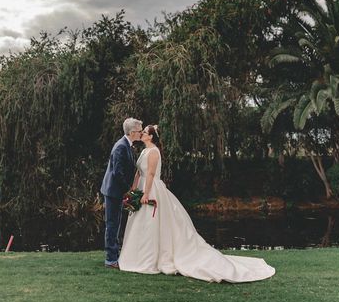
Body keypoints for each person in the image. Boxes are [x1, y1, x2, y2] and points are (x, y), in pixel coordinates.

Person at [119, 125, 275, 283]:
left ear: (151, 137)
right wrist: (133, 190)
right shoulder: (144, 151)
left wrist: (146, 193)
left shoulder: (153, 151)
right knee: (140, 223)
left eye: (144, 132)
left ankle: (151, 258)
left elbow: (151, 174)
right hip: (141, 187)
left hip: (152, 189)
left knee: (152, 222)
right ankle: (137, 256)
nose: (142, 133)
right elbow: (139, 172)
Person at [100, 117, 142, 268]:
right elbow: (117, 172)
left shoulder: (127, 145)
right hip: (113, 191)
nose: (141, 133)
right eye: (139, 131)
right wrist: (128, 189)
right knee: (112, 224)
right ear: (132, 132)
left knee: (115, 223)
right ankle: (111, 259)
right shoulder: (121, 147)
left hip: (116, 190)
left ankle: (114, 255)